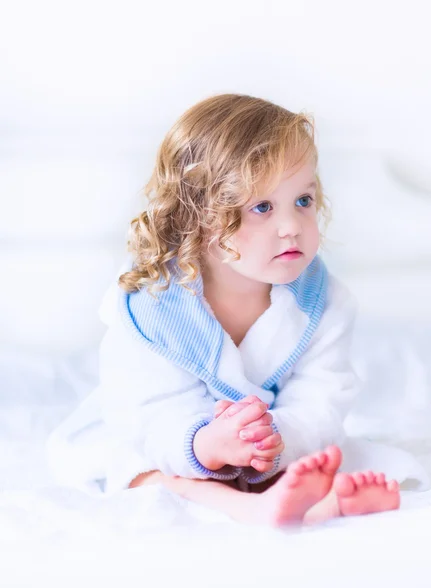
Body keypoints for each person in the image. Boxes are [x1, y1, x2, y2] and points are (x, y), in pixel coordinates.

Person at [47, 93, 409, 527]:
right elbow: (150, 410)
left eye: (303, 200)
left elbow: (322, 396)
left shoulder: (321, 299)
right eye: (262, 207)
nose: (292, 225)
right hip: (163, 438)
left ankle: (311, 496)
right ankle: (249, 506)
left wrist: (274, 440)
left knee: (330, 453)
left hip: (273, 442)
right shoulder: (156, 306)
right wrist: (206, 445)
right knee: (137, 468)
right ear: (198, 216)